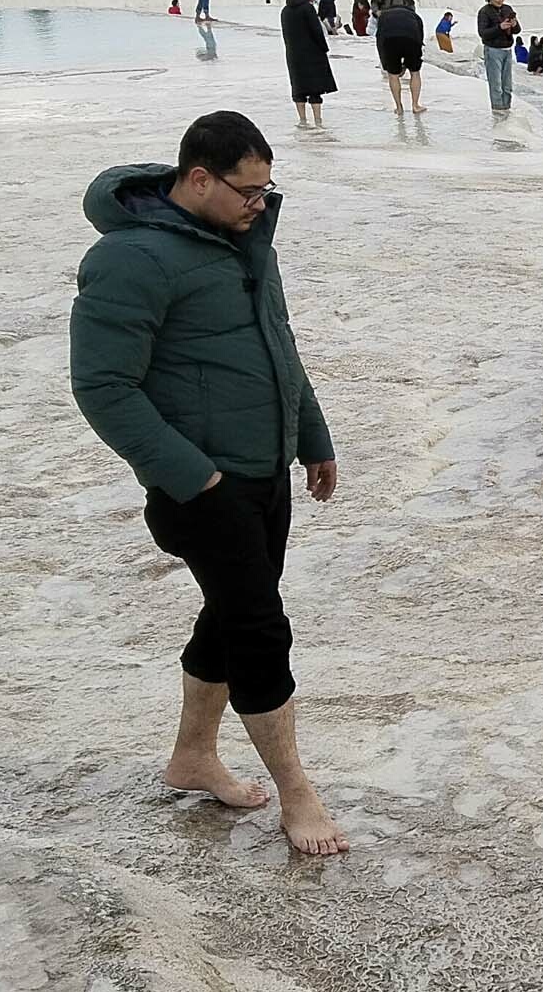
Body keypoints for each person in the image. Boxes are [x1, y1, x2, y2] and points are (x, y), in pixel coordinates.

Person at [69, 111, 349, 857]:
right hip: (201, 486)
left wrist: (311, 437)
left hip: (265, 469)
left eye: (266, 189)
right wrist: (196, 477)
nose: (260, 204)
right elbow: (102, 386)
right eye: (248, 191)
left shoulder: (244, 239)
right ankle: (297, 791)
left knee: (230, 616)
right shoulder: (131, 261)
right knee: (260, 627)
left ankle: (192, 756)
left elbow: (277, 343)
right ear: (198, 178)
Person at [280, 0, 335, 127]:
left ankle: (302, 120)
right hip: (312, 53)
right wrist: (324, 48)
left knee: (299, 88)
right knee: (315, 89)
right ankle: (318, 121)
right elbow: (317, 31)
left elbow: (286, 35)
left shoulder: (285, 11)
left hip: (293, 54)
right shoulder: (307, 8)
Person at [373, 0, 427, 115]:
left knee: (393, 75)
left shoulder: (384, 16)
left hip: (389, 41)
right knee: (415, 73)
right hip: (411, 40)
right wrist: (410, 63)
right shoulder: (414, 16)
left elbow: (379, 39)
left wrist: (385, 63)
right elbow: (420, 37)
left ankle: (399, 107)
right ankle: (415, 105)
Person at [475, 0, 520, 114]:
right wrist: (499, 27)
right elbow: (483, 33)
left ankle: (507, 109)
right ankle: (497, 111)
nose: (500, 0)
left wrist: (514, 25)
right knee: (496, 84)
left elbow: (517, 31)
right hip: (493, 50)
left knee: (507, 85)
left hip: (507, 49)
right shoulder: (484, 11)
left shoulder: (507, 9)